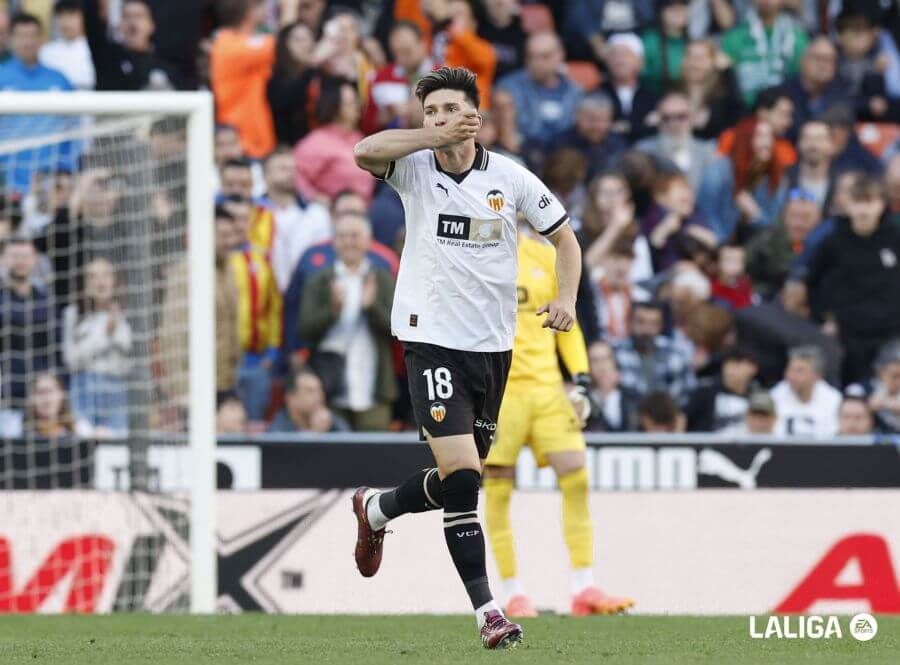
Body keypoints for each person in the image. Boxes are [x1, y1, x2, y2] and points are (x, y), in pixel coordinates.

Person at [352, 66, 582, 648]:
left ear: (475, 115)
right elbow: (363, 150)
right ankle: (488, 612)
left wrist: (567, 298)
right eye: (430, 112)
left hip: (492, 348)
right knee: (463, 477)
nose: (439, 120)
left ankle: (377, 510)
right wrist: (433, 137)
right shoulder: (412, 167)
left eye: (450, 110)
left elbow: (566, 239)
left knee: (461, 482)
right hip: (429, 339)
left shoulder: (510, 177)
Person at [483, 229, 634, 618]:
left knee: (577, 477)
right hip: (501, 395)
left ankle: (584, 587)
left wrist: (581, 380)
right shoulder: (475, 256)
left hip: (549, 390)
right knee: (497, 492)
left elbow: (567, 320)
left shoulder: (543, 255)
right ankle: (514, 593)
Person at [298, 213, 397, 430]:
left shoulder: (382, 278)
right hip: (330, 386)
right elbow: (305, 329)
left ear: (367, 240)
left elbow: (395, 330)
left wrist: (371, 306)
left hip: (373, 387)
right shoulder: (320, 280)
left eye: (355, 235)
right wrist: (332, 310)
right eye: (343, 236)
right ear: (334, 241)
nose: (349, 242)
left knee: (374, 455)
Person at [805, 174, 900, 385]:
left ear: (882, 205)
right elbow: (812, 280)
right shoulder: (833, 240)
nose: (864, 210)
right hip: (850, 333)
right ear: (848, 205)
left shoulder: (894, 236)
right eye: (858, 202)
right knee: (853, 389)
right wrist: (823, 317)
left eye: (870, 202)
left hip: (892, 330)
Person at [160, 207, 242, 413]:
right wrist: (180, 389)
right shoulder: (185, 272)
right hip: (194, 386)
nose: (230, 241)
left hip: (226, 382)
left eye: (233, 235)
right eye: (224, 235)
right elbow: (172, 334)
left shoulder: (230, 270)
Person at [0, 13, 76, 194]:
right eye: (22, 36)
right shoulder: (2, 76)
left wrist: (65, 168)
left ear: (42, 39)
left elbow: (74, 128)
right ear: (11, 39)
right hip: (7, 181)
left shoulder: (59, 79)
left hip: (52, 181)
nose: (28, 42)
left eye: (32, 36)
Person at [62, 257, 132, 434]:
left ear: (115, 280)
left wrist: (116, 330)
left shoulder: (128, 313)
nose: (100, 281)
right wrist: (105, 335)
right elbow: (71, 360)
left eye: (106, 275)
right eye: (93, 276)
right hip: (84, 388)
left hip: (117, 389)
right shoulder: (73, 314)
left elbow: (132, 358)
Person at [698, 120, 790, 241]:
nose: (767, 142)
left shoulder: (777, 178)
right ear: (745, 140)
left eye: (770, 136)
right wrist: (721, 244)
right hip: (719, 244)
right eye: (760, 136)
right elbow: (705, 215)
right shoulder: (719, 172)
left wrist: (756, 214)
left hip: (757, 249)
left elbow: (774, 228)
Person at [260, 147, 332, 292]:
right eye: (283, 169)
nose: (291, 174)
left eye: (293, 169)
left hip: (306, 294)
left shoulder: (317, 214)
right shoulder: (253, 214)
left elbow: (324, 258)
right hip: (262, 295)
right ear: (265, 174)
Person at [210, 0, 276, 159]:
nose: (265, 9)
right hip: (239, 139)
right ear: (248, 11)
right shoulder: (228, 44)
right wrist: (290, 11)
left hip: (257, 137)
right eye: (259, 5)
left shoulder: (245, 41)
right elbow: (280, 45)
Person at [494, 31, 582, 151]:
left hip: (563, 155)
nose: (537, 63)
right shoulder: (509, 87)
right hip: (523, 154)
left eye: (545, 56)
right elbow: (508, 137)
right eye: (531, 57)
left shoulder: (575, 91)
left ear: (561, 55)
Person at [0, 237, 58, 412]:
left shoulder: (46, 301)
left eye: (25, 256)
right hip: (6, 395)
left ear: (35, 259)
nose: (20, 262)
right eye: (15, 256)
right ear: (3, 259)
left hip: (40, 397)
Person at [293, 80, 373, 204]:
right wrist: (315, 198)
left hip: (362, 214)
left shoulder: (360, 138)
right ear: (335, 106)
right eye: (351, 103)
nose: (357, 106)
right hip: (330, 216)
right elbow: (295, 175)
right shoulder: (317, 142)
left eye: (357, 101)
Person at [720, 0, 808, 107]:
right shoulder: (734, 37)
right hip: (742, 110)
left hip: (787, 111)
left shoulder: (798, 38)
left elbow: (802, 80)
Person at [83, 0, 177, 90]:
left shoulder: (166, 65)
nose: (132, 23)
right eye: (127, 17)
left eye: (138, 16)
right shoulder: (106, 59)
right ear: (119, 25)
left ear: (151, 25)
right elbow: (91, 23)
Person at [613, 301, 695, 404]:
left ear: (661, 326)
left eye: (654, 324)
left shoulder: (675, 354)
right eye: (641, 322)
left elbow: (688, 395)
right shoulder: (615, 353)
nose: (647, 329)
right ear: (630, 322)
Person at [745, 189, 821, 300]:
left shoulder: (824, 242)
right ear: (784, 217)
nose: (798, 224)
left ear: (817, 220)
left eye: (805, 217)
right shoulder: (768, 237)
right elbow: (748, 264)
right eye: (794, 216)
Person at [635, 90, 717, 191]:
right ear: (658, 120)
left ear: (692, 118)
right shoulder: (644, 151)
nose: (674, 123)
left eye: (681, 117)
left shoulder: (708, 152)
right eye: (666, 118)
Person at [679, 38, 745, 141]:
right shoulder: (673, 92)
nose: (694, 63)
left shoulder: (723, 97)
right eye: (690, 56)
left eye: (700, 58)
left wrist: (729, 72)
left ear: (714, 63)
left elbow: (739, 119)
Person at [770, 345, 841, 438]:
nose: (792, 376)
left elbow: (833, 436)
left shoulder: (833, 399)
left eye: (799, 371)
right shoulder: (774, 396)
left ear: (817, 376)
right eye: (790, 369)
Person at [600, 32, 659, 142]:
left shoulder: (653, 97)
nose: (620, 60)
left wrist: (624, 127)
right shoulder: (597, 93)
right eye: (614, 55)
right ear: (607, 61)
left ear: (640, 62)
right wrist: (641, 125)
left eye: (626, 55)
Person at [782, 36, 845, 139]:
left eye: (829, 60)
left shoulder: (842, 93)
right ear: (802, 61)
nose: (823, 65)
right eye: (817, 58)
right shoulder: (783, 94)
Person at [553, 93, 627, 181]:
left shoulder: (619, 144)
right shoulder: (560, 143)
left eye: (603, 120)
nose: (597, 126)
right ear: (577, 116)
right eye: (591, 120)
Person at [266, 21, 318, 146]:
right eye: (299, 40)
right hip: (285, 147)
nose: (306, 45)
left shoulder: (318, 73)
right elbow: (284, 100)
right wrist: (311, 66)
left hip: (315, 144)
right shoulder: (275, 76)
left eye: (308, 39)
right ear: (285, 44)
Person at [686, 346, 758, 432]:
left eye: (737, 363)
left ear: (753, 368)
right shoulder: (705, 391)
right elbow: (683, 419)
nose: (731, 369)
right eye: (728, 363)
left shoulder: (758, 397)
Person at [267, 366, 351, 433]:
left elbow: (350, 450)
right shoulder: (278, 431)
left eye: (320, 390)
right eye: (310, 391)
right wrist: (315, 435)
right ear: (290, 398)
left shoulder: (334, 423)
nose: (319, 396)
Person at [38, 0, 95, 90]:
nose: (66, 21)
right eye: (61, 16)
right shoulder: (46, 51)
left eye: (71, 15)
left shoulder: (95, 49)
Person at [585, 340, 640, 431]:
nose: (601, 365)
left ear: (614, 362)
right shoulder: (583, 400)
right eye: (595, 360)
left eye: (605, 359)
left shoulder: (633, 397)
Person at [784, 120, 835, 211]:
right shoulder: (783, 177)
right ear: (798, 144)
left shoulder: (841, 182)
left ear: (831, 145)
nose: (813, 144)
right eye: (807, 138)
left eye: (819, 139)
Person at [640, 0, 689, 93]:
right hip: (654, 94)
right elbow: (643, 73)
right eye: (672, 7)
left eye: (683, 6)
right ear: (661, 12)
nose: (678, 11)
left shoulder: (692, 41)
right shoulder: (650, 40)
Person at [869, 341, 900, 433]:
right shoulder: (865, 389)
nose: (899, 381)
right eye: (895, 376)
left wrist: (885, 404)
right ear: (880, 374)